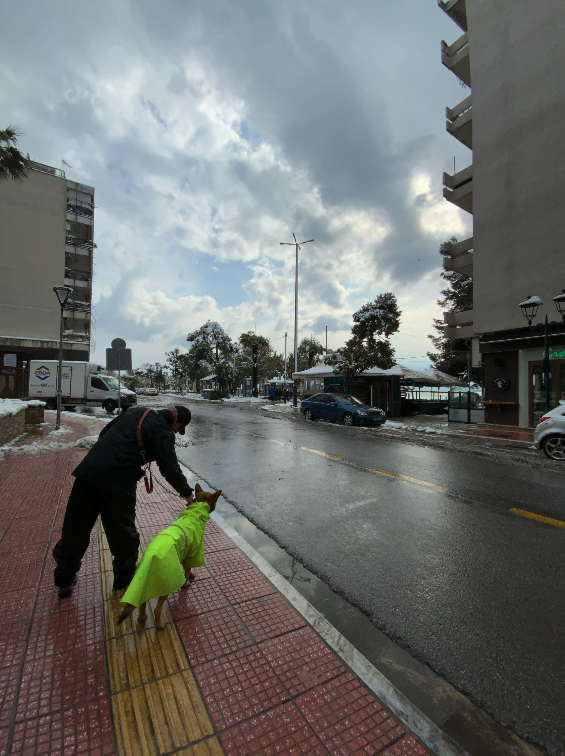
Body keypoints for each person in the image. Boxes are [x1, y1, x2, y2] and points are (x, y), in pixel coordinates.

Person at [53, 405, 194, 598]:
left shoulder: (137, 411)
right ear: (176, 421)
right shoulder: (163, 430)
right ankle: (124, 582)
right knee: (123, 534)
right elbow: (169, 467)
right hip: (118, 482)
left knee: (75, 528)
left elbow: (104, 432)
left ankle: (64, 580)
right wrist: (186, 493)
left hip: (88, 472)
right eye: (178, 429)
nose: (176, 432)